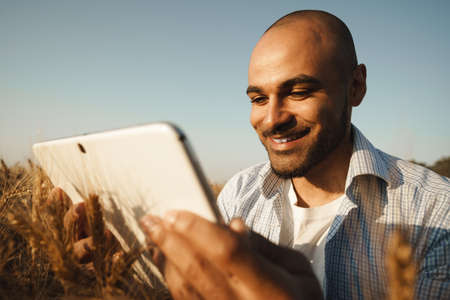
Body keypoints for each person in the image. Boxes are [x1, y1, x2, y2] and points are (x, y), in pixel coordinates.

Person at [64, 9, 450, 300]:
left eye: (298, 92)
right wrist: (131, 271)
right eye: (258, 98)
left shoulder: (437, 213)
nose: (271, 119)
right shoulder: (238, 194)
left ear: (355, 86)